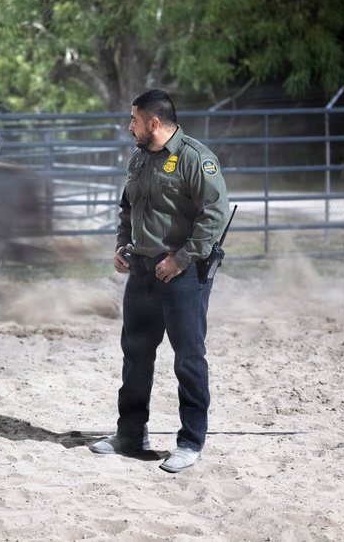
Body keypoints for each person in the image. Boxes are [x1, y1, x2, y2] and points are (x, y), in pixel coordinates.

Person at [91, 89, 229, 473]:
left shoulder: (195, 159)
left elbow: (213, 216)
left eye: (133, 120)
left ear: (154, 122)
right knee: (135, 355)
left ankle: (190, 442)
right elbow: (127, 207)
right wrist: (123, 245)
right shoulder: (139, 160)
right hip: (141, 272)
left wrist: (180, 259)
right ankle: (131, 435)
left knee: (188, 358)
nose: (129, 127)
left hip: (183, 276)